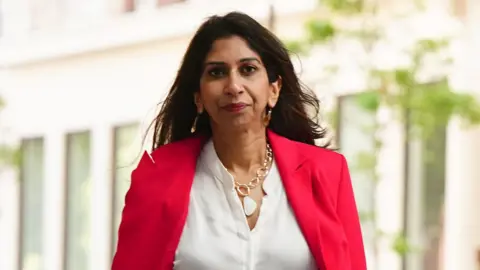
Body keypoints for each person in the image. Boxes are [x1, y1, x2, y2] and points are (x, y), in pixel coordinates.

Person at [112, 11, 366, 270]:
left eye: (248, 69)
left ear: (273, 90)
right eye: (217, 72)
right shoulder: (156, 181)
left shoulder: (327, 173)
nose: (234, 86)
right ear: (198, 96)